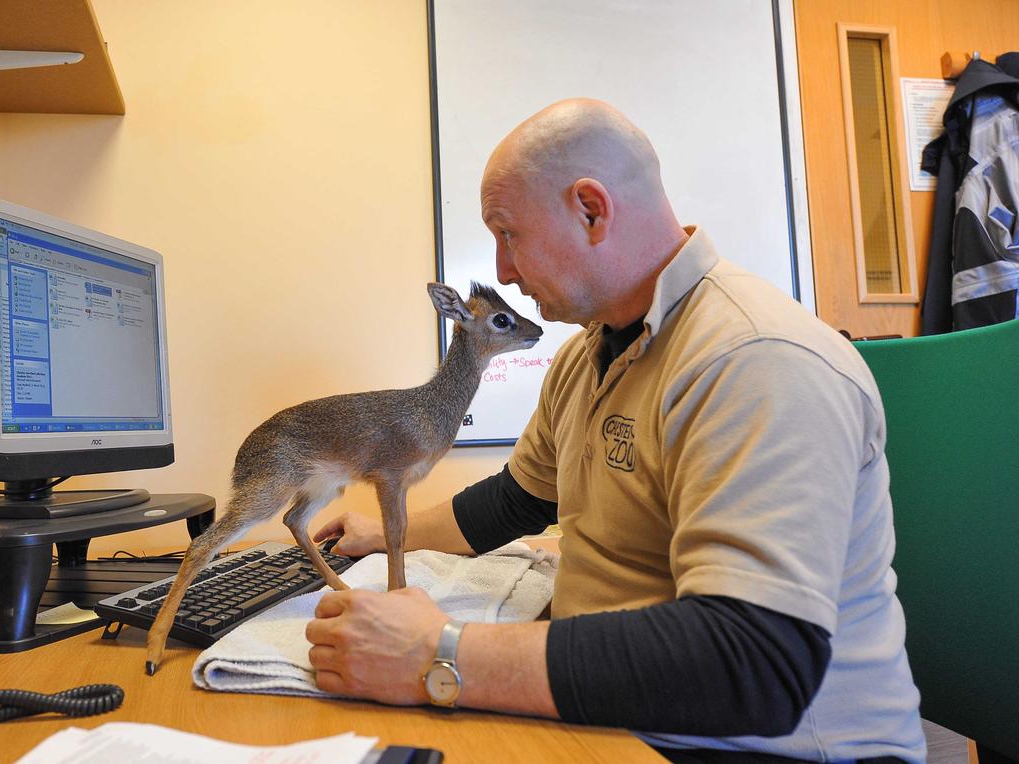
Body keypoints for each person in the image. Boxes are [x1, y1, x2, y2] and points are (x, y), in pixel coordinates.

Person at [304, 99, 926, 762]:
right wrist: (378, 535)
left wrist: (440, 652)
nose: (504, 270)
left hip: (756, 744)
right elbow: (518, 500)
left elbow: (754, 663)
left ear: (592, 210)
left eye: (508, 234)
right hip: (621, 718)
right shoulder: (586, 354)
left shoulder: (755, 359)